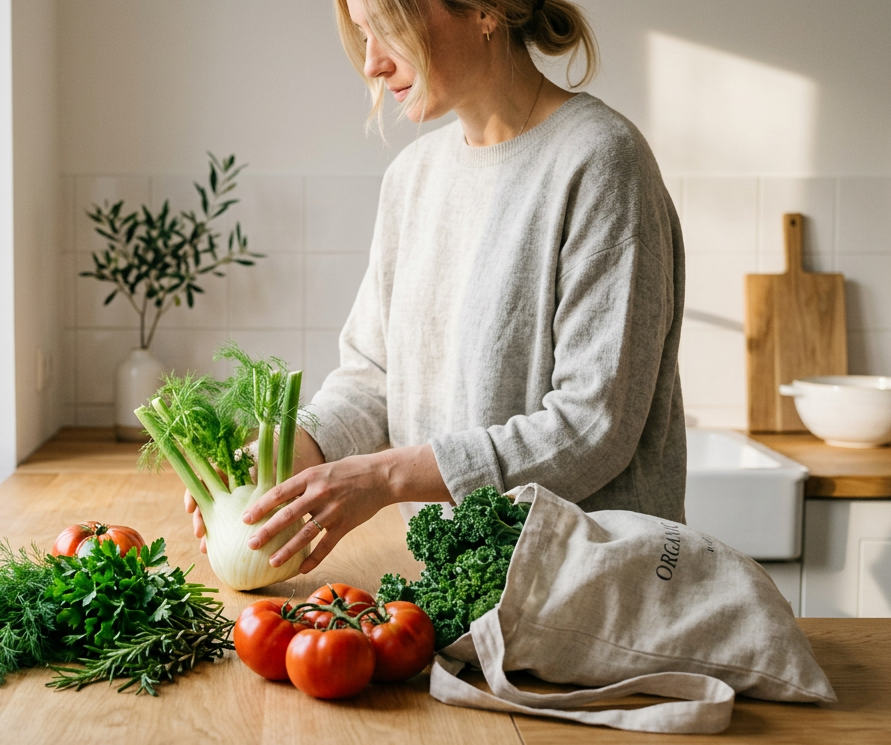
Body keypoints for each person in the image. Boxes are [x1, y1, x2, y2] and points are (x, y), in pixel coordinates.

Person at [187, 0, 687, 575]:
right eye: (362, 34)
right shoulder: (413, 177)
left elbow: (590, 428)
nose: (372, 64)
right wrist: (276, 465)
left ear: (483, 11)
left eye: (390, 30)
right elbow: (373, 379)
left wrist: (385, 478)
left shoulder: (600, 161)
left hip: (586, 591)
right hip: (457, 590)